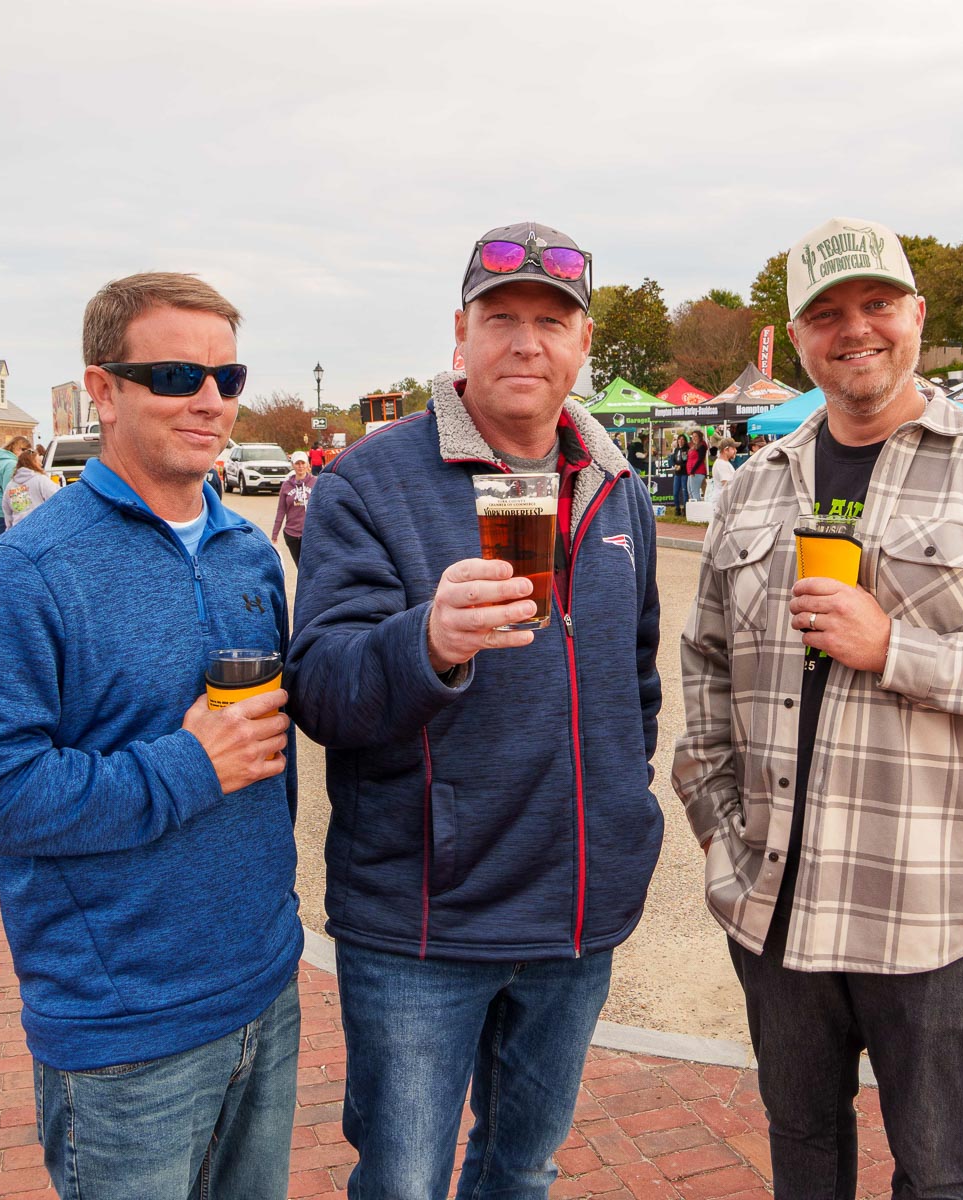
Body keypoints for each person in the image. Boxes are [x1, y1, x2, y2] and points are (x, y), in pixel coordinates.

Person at [675, 216, 963, 1200]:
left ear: (918, 314)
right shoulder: (754, 486)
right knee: (802, 1150)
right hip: (773, 900)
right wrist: (717, 824)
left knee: (940, 1171)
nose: (855, 329)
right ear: (799, 336)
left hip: (931, 912)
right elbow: (704, 664)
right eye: (827, 313)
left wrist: (896, 650)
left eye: (876, 303)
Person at [287, 221, 663, 1200]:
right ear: (461, 333)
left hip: (576, 917)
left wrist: (624, 808)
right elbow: (320, 686)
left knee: (522, 1171)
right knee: (404, 1182)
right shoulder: (371, 481)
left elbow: (637, 676)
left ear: (584, 343)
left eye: (552, 321)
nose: (526, 343)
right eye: (501, 318)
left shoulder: (616, 485)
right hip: (424, 922)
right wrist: (427, 642)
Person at [0, 272, 300, 1200]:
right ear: (102, 390)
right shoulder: (30, 568)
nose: (210, 401)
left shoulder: (249, 553)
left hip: (265, 984)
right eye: (175, 376)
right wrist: (187, 766)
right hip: (124, 1028)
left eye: (227, 377)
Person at [269, 450, 314, 567]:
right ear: (293, 465)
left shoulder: (315, 482)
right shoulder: (286, 485)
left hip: (311, 533)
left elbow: (323, 507)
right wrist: (275, 534)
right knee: (300, 567)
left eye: (303, 463)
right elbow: (281, 510)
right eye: (297, 463)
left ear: (308, 464)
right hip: (292, 534)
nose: (300, 466)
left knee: (311, 566)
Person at [3, 446, 61, 527]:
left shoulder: (10, 485)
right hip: (39, 525)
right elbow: (55, 497)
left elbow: (6, 509)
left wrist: (9, 528)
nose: (41, 464)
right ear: (33, 463)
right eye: (38, 461)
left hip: (18, 526)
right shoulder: (41, 480)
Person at [704, 437, 738, 509]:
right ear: (726, 450)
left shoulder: (723, 463)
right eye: (733, 448)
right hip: (723, 503)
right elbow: (727, 485)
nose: (736, 450)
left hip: (723, 502)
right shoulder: (722, 464)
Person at [669, 433, 690, 515]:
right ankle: (677, 508)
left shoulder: (686, 450)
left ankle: (685, 508)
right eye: (679, 439)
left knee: (684, 491)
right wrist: (675, 465)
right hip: (677, 473)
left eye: (682, 440)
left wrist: (681, 466)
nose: (681, 441)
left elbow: (686, 461)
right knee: (675, 492)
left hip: (684, 473)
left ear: (685, 441)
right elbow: (673, 459)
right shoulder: (676, 450)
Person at [686, 429, 709, 503]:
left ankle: (698, 507)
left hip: (697, 471)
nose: (693, 438)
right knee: (690, 491)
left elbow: (700, 459)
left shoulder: (702, 446)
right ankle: (693, 506)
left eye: (695, 436)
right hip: (691, 471)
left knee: (694, 492)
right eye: (692, 436)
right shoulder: (694, 446)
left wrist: (693, 470)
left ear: (699, 437)